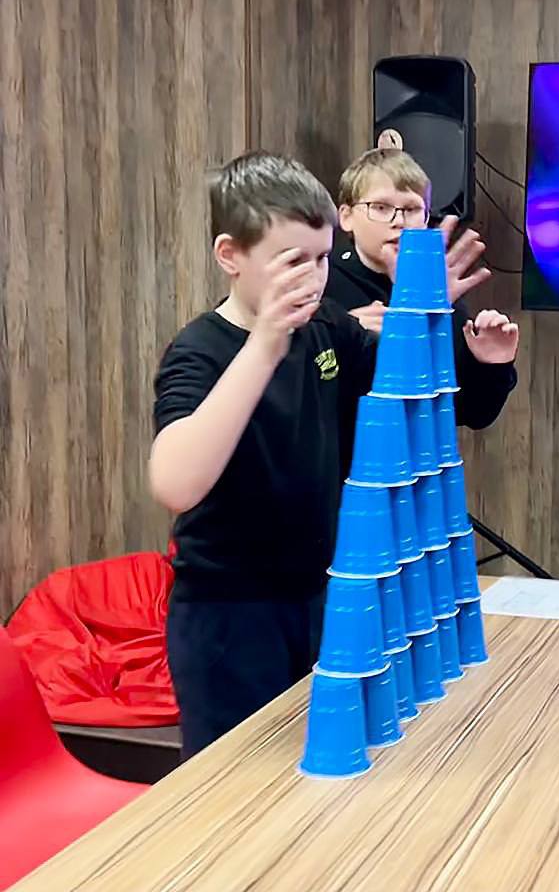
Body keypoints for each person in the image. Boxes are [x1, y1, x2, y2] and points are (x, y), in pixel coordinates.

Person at [151, 152, 377, 758]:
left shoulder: (327, 330)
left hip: (317, 600)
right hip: (229, 618)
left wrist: (474, 351)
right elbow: (174, 482)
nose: (315, 277)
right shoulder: (200, 350)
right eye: (293, 261)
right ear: (230, 256)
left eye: (323, 259)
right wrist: (266, 345)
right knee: (234, 790)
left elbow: (422, 392)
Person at [324, 148, 518, 445]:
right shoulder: (322, 284)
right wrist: (340, 336)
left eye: (412, 209)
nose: (399, 221)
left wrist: (492, 366)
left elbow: (472, 413)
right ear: (346, 217)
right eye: (380, 207)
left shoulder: (437, 292)